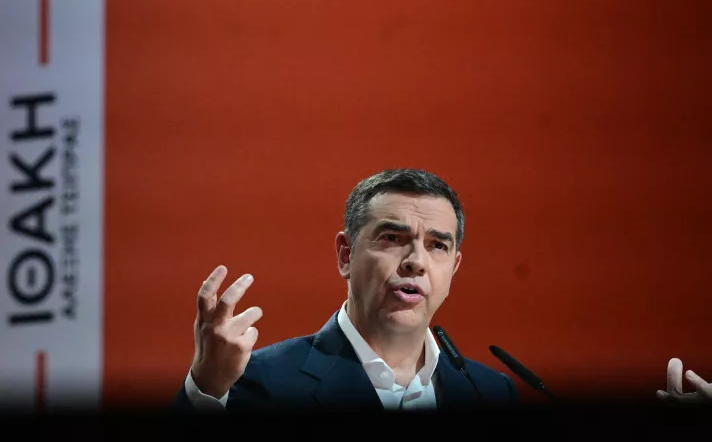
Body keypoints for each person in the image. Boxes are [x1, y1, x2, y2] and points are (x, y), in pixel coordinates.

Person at [174, 168, 710, 412]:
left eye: (436, 246)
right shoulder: (262, 383)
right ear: (345, 255)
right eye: (392, 238)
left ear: (453, 268)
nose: (415, 261)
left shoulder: (490, 393)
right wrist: (206, 390)